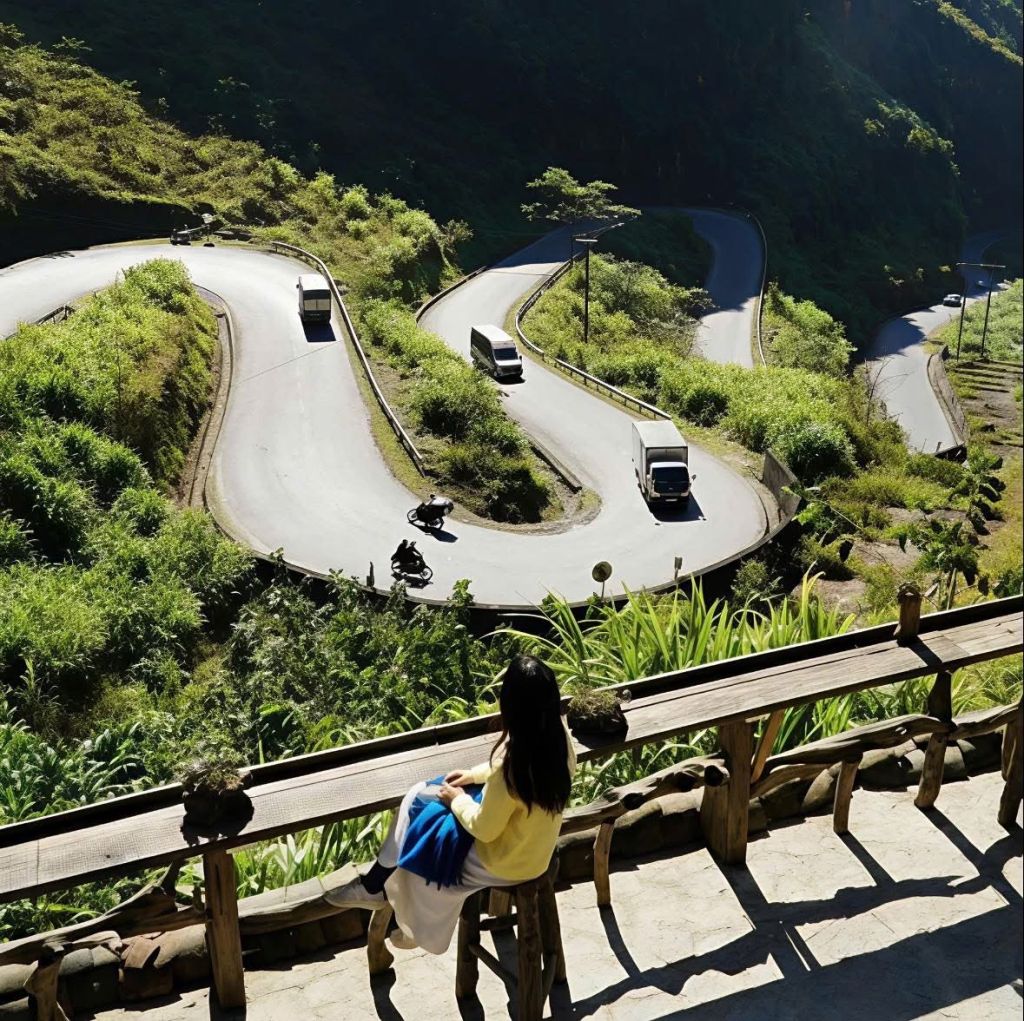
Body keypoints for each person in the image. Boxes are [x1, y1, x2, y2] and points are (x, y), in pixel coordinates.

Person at [324, 654, 576, 954]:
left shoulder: (511, 771)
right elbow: (508, 768)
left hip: (505, 862)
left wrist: (458, 800)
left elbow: (485, 829)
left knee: (426, 841)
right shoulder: (557, 741)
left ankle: (409, 923)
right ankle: (377, 886)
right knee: (420, 802)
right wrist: (473, 775)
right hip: (535, 853)